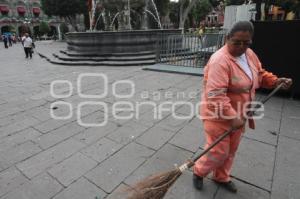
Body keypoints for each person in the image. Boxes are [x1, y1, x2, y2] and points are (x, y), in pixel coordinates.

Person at [193, 21, 292, 193]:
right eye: (237, 42)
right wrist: (232, 117)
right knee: (218, 151)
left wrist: (275, 81)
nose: (241, 47)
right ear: (227, 39)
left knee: (231, 150)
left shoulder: (249, 55)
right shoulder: (220, 60)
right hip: (217, 115)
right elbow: (216, 95)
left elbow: (259, 74)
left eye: (246, 43)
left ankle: (221, 176)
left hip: (240, 114)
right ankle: (199, 171)